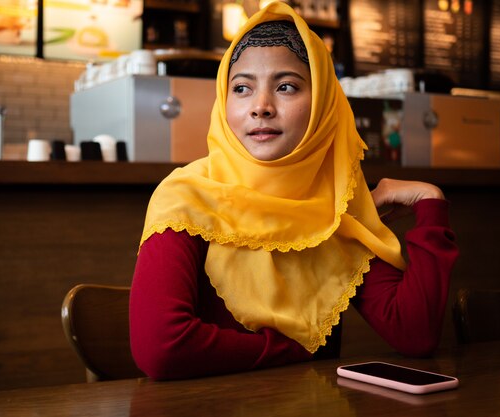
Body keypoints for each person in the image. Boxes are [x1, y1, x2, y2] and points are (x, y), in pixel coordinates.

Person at [129, 2, 458, 380]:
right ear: (224, 102)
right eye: (241, 88)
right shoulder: (185, 196)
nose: (261, 107)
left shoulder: (336, 209)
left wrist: (430, 203)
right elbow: (162, 349)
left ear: (323, 105)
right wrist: (293, 349)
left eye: (286, 87)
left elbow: (414, 333)